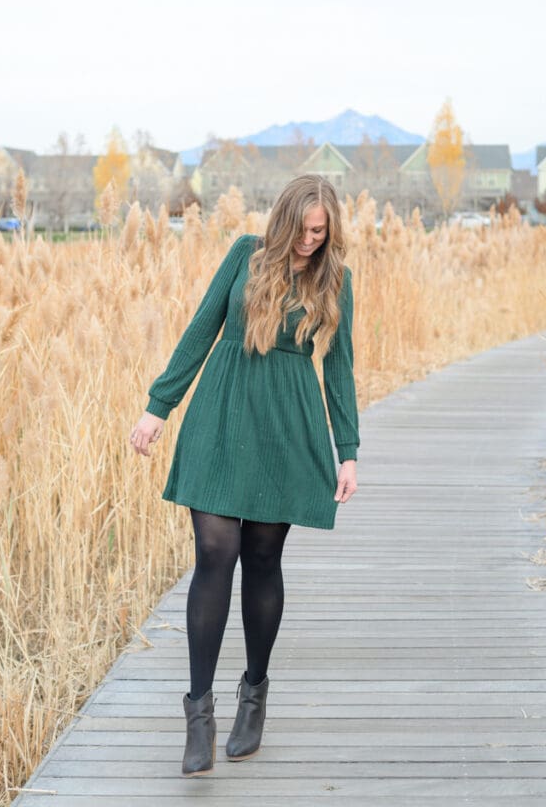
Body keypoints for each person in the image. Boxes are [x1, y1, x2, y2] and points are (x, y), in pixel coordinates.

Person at [130, 173, 359, 777]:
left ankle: (253, 694)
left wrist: (349, 450)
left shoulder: (335, 279)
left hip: (285, 425)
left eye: (323, 232)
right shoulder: (243, 255)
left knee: (261, 558)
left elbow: (339, 368)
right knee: (214, 550)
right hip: (221, 411)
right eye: (307, 229)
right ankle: (198, 713)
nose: (313, 241)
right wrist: (159, 408)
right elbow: (202, 329)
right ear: (285, 219)